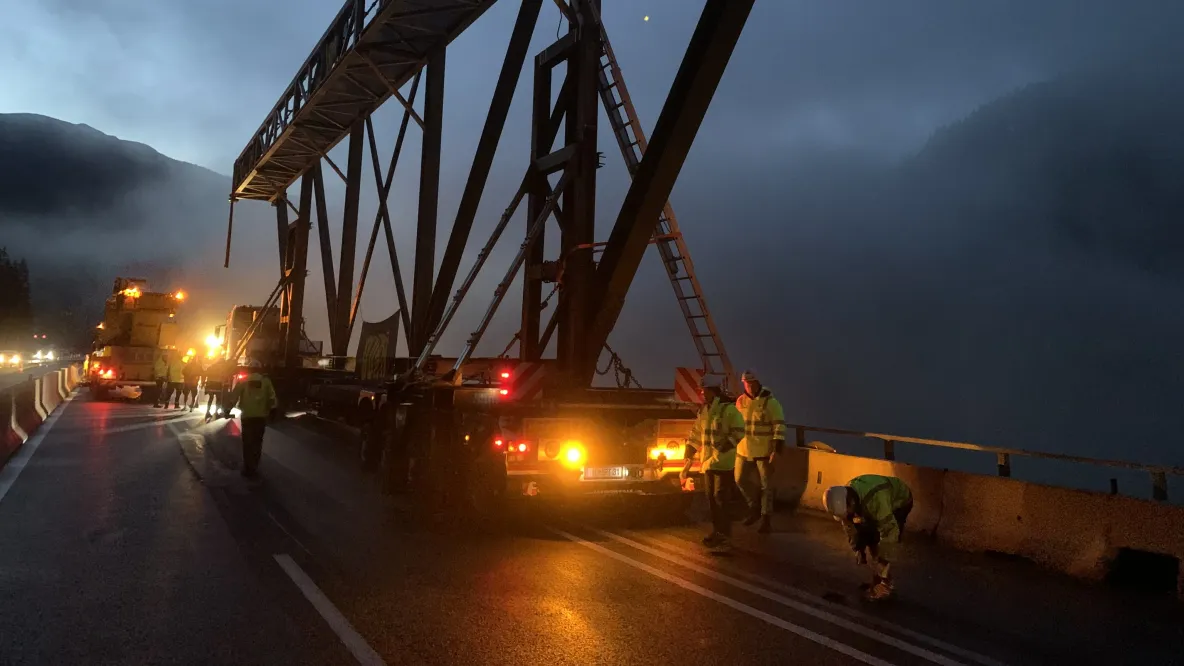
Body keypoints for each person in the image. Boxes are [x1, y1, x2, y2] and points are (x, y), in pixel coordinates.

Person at [823, 474, 914, 601]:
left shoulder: (877, 500)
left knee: (879, 541)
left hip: (900, 502)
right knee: (869, 535)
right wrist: (858, 548)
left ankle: (885, 585)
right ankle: (878, 578)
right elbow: (849, 525)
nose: (848, 516)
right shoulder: (846, 497)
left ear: (852, 503)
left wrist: (882, 561)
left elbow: (889, 532)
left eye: (848, 512)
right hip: (872, 501)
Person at [680, 376, 744, 552]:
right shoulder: (705, 411)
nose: (702, 394)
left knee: (721, 499)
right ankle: (718, 533)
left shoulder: (728, 410)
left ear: (713, 391)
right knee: (712, 500)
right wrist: (690, 449)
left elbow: (740, 431)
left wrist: (727, 444)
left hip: (723, 462)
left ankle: (726, 538)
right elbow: (697, 432)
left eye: (704, 391)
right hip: (708, 462)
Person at [734, 370, 786, 533]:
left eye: (751, 383)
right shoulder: (740, 401)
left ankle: (765, 519)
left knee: (767, 486)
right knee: (740, 479)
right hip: (743, 449)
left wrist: (776, 450)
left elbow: (779, 426)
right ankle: (754, 507)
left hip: (764, 451)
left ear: (757, 382)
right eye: (745, 383)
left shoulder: (770, 402)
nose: (749, 386)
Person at [223, 361, 278, 478]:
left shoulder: (243, 381)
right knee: (257, 443)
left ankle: (248, 468)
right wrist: (273, 411)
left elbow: (234, 397)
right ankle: (255, 466)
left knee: (247, 443)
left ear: (250, 369)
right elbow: (272, 397)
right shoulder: (266, 381)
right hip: (261, 417)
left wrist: (228, 410)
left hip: (247, 416)